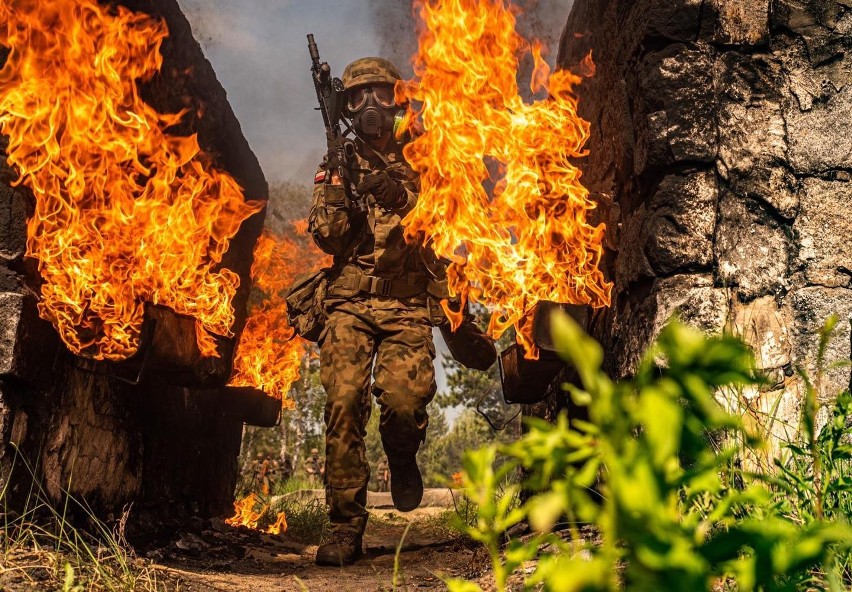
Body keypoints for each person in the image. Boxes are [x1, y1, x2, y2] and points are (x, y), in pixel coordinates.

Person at [308, 56, 447, 567]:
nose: (371, 105)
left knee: (406, 404)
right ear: (347, 105)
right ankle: (344, 526)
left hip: (407, 303)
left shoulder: (426, 158)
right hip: (349, 301)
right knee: (343, 403)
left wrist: (403, 195)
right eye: (360, 95)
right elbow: (326, 238)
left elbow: (450, 219)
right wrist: (341, 192)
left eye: (381, 94)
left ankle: (403, 454)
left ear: (398, 102)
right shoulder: (338, 160)